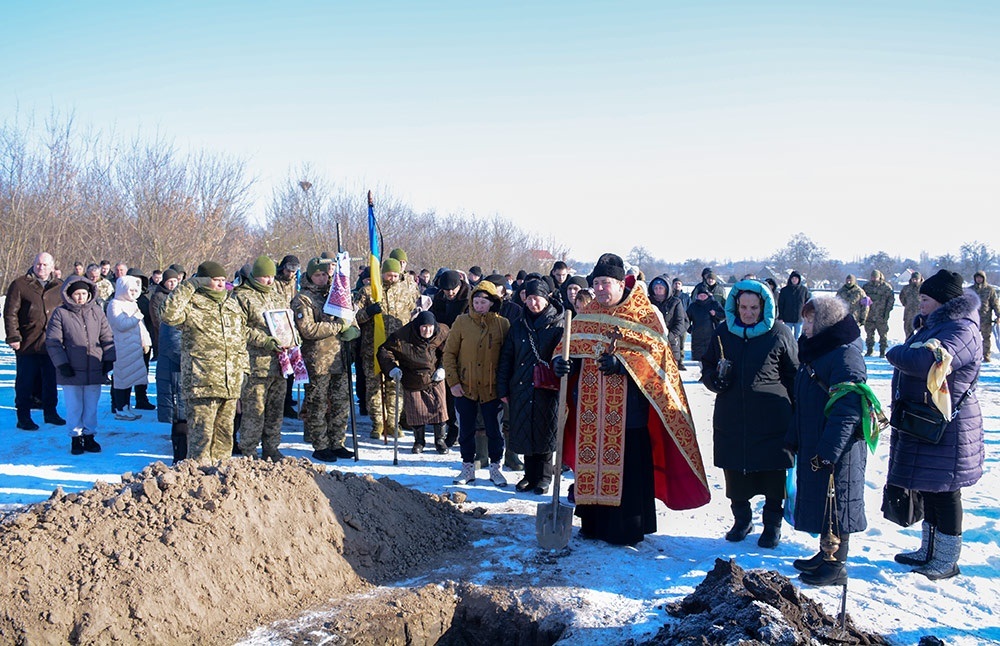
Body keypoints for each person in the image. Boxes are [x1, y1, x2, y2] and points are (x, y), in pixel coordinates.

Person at [551, 253, 711, 546]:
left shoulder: (643, 314)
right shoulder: (586, 314)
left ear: (620, 283)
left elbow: (657, 358)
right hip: (589, 411)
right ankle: (594, 523)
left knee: (628, 468)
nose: (600, 289)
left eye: (606, 283)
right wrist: (560, 364)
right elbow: (567, 350)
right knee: (593, 462)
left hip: (630, 413)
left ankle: (626, 528)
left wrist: (623, 365)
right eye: (596, 283)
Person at [885, 270, 983, 580]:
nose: (920, 304)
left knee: (946, 491)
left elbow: (926, 362)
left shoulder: (962, 329)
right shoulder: (936, 326)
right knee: (929, 486)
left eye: (925, 299)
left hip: (950, 426)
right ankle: (928, 551)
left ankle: (946, 560)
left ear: (941, 301)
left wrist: (895, 351)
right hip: (928, 422)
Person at [701, 279, 797, 548]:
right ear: (735, 306)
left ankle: (772, 525)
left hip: (772, 417)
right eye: (743, 307)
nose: (748, 313)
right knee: (735, 473)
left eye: (754, 307)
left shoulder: (779, 333)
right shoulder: (723, 332)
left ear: (764, 306)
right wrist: (713, 380)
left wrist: (796, 410)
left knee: (772, 476)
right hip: (732, 414)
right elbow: (707, 365)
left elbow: (793, 373)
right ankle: (742, 520)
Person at [786, 296, 870, 586]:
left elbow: (848, 410)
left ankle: (836, 566)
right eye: (805, 319)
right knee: (824, 500)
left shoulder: (845, 354)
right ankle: (824, 554)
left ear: (824, 323)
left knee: (838, 501)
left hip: (838, 448)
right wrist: (794, 438)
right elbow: (803, 400)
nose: (805, 326)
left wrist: (828, 452)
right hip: (817, 439)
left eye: (810, 321)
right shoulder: (818, 351)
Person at [160, 261, 249, 461]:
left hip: (230, 383)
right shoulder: (192, 303)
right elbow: (167, 314)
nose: (219, 284)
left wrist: (244, 372)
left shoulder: (231, 304)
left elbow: (240, 339)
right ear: (202, 280)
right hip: (202, 383)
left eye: (221, 280)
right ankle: (199, 483)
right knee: (201, 441)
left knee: (225, 439)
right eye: (214, 280)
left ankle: (219, 482)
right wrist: (189, 285)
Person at [497, 279, 564, 494]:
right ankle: (529, 475)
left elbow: (562, 355)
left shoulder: (558, 325)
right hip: (522, 385)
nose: (533, 303)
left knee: (545, 430)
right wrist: (503, 388)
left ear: (546, 299)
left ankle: (544, 477)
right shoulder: (518, 325)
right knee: (525, 429)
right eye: (530, 299)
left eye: (538, 299)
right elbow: (506, 357)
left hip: (547, 386)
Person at [443, 280, 510, 486]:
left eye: (484, 301)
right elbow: (449, 353)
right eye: (476, 301)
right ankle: (467, 468)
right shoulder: (461, 322)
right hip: (465, 387)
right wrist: (453, 382)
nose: (480, 305)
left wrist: (503, 386)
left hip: (492, 389)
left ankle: (495, 469)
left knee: (494, 431)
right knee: (466, 431)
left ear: (493, 303)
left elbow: (508, 357)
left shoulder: (502, 324)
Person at [291, 257, 359, 462]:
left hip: (340, 357)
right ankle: (320, 444)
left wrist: (353, 329)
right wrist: (337, 327)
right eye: (317, 275)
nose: (321, 278)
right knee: (318, 403)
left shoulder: (336, 294)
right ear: (310, 276)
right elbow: (308, 329)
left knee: (341, 403)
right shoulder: (303, 299)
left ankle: (337, 442)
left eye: (324, 274)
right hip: (318, 360)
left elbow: (349, 317)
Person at [44, 277, 116, 454]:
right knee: (74, 406)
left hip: (94, 366)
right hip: (71, 369)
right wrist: (62, 364)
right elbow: (53, 341)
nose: (81, 297)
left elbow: (106, 337)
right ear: (69, 295)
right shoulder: (61, 313)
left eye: (84, 293)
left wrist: (108, 359)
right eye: (77, 294)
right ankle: (76, 438)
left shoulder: (97, 311)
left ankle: (90, 436)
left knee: (91, 406)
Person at [235, 255, 292, 460]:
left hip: (279, 364)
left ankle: (272, 447)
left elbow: (286, 321)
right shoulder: (241, 297)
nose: (269, 281)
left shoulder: (276, 295)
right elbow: (239, 329)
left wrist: (292, 337)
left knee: (275, 410)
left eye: (271, 276)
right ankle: (248, 450)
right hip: (255, 365)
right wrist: (264, 340)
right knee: (254, 411)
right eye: (264, 277)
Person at [355, 257, 417, 439]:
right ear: (382, 274)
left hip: (397, 349)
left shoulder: (406, 292)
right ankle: (378, 423)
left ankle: (393, 423)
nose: (392, 278)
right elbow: (354, 317)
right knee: (374, 388)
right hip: (372, 348)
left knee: (395, 388)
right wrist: (368, 312)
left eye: (395, 275)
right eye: (388, 275)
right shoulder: (368, 291)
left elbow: (414, 315)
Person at [4, 252, 65, 430]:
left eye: (45, 265)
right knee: (25, 381)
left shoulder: (59, 286)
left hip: (51, 343)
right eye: (38, 264)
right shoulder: (20, 284)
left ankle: (50, 412)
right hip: (27, 343)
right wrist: (13, 337)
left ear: (52, 267)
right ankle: (23, 416)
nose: (41, 268)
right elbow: (10, 313)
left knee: (50, 380)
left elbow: (66, 314)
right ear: (33, 264)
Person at [378, 310, 450, 454]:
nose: (427, 330)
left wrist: (443, 368)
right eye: (423, 327)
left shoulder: (442, 332)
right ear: (417, 326)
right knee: (416, 411)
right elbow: (384, 350)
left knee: (440, 409)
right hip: (413, 377)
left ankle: (440, 440)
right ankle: (419, 441)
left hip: (435, 377)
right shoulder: (402, 336)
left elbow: (450, 351)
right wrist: (392, 369)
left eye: (430, 326)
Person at [106, 275, 151, 421]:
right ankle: (119, 407)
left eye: (134, 290)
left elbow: (141, 326)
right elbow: (120, 324)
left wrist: (146, 341)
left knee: (131, 378)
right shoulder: (115, 304)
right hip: (121, 346)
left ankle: (126, 406)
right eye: (130, 290)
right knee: (121, 378)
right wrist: (136, 317)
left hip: (135, 347)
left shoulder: (133, 304)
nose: (132, 293)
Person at [686, 284, 724, 363]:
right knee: (698, 358)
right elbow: (685, 319)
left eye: (704, 295)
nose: (702, 297)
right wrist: (689, 328)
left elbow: (723, 315)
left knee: (711, 354)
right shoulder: (693, 306)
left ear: (708, 295)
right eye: (701, 295)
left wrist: (715, 313)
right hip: (697, 335)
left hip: (711, 332)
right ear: (697, 296)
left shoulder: (714, 304)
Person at [862, 270, 894, 357]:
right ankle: (869, 350)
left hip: (881, 315)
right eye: (872, 277)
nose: (873, 279)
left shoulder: (886, 287)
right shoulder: (866, 287)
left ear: (879, 277)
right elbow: (862, 299)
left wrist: (887, 312)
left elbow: (890, 301)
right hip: (869, 315)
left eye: (875, 277)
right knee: (869, 334)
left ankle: (882, 351)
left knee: (883, 335)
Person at [971, 270, 999, 362]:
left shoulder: (990, 290)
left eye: (980, 278)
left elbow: (995, 303)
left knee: (986, 338)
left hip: (985, 319)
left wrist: (998, 315)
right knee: (972, 338)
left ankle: (986, 355)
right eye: (977, 277)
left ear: (984, 279)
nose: (979, 279)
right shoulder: (970, 290)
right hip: (972, 319)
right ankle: (972, 355)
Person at [777, 271, 811, 339]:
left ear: (799, 279)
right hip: (787, 318)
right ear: (790, 279)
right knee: (788, 336)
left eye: (796, 278)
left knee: (798, 337)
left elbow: (808, 303)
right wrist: (780, 317)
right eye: (793, 278)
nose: (794, 280)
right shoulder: (784, 290)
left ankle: (798, 349)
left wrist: (807, 315)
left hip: (799, 318)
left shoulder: (804, 290)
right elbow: (780, 304)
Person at [898, 271, 923, 339]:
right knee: (908, 331)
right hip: (908, 314)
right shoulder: (906, 288)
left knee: (921, 332)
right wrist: (906, 304)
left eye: (916, 279)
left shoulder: (924, 288)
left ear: (920, 279)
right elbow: (902, 297)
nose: (914, 281)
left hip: (921, 313)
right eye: (913, 279)